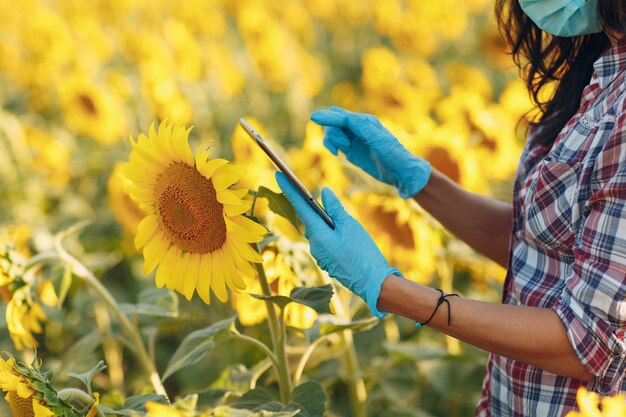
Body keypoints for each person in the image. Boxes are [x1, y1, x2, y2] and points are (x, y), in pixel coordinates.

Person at [275, 0, 626, 415]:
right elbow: (542, 251)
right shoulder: (603, 68)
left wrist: (387, 289)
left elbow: (588, 342)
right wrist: (418, 180)